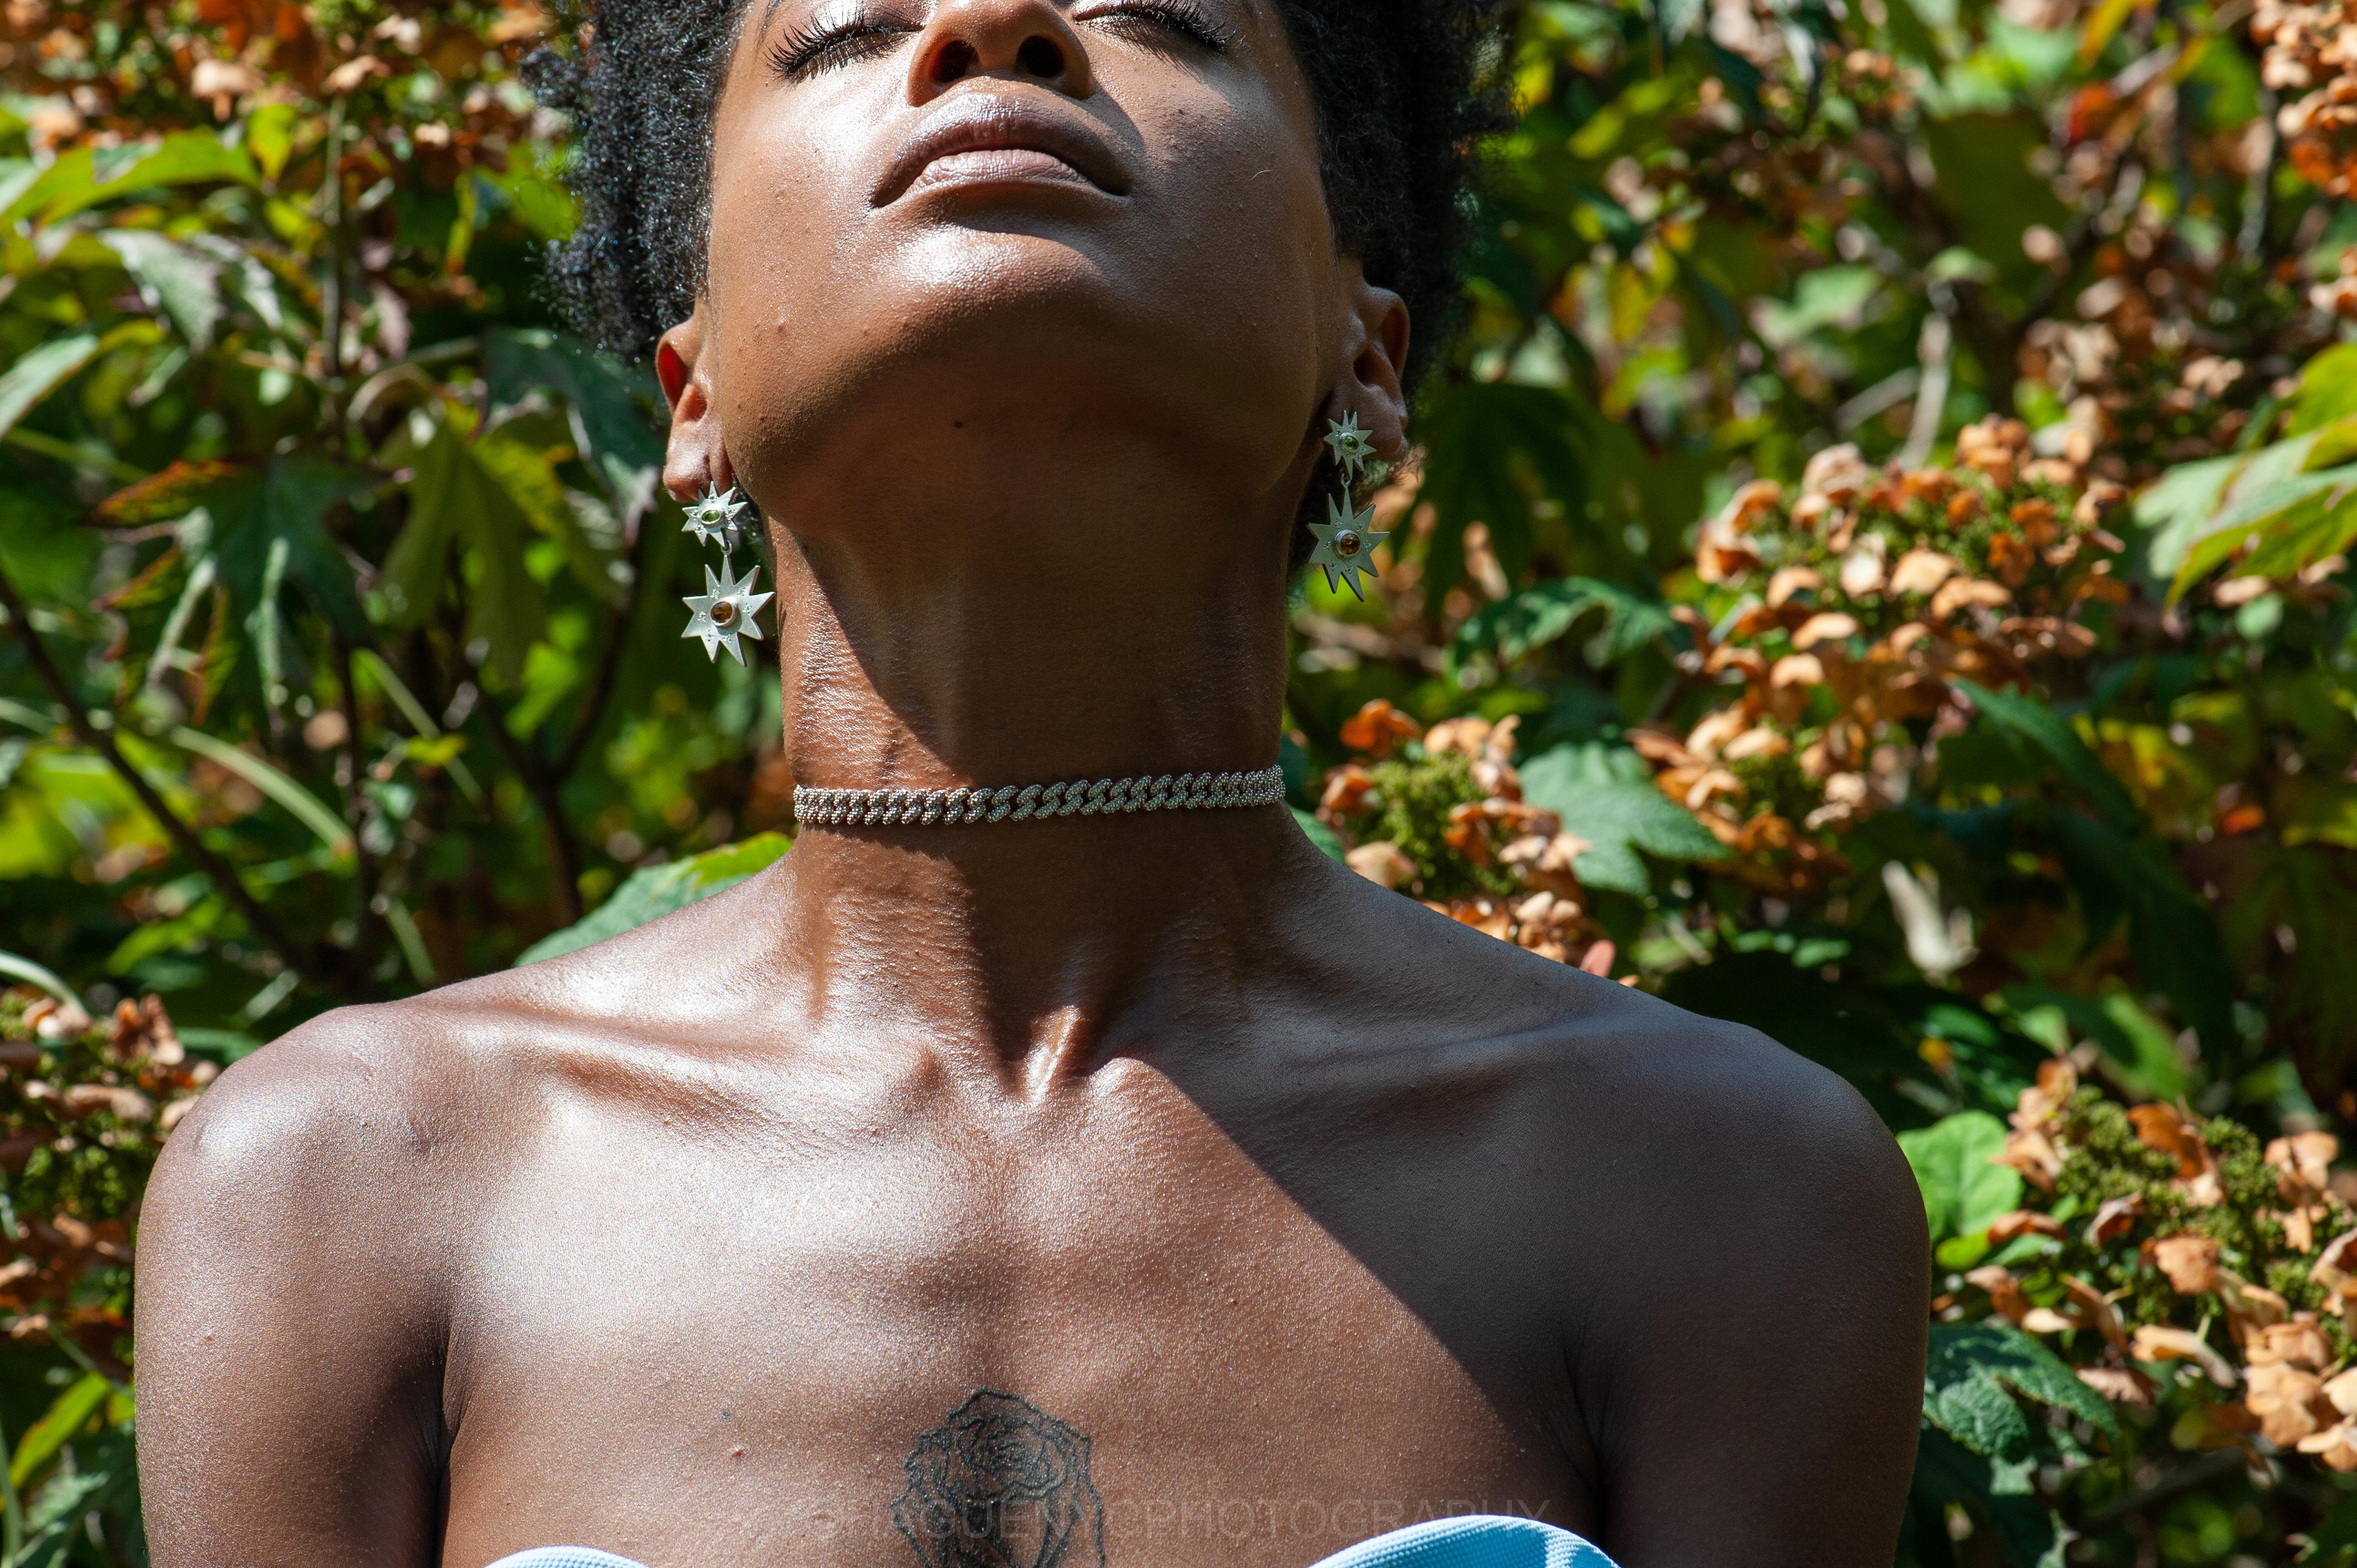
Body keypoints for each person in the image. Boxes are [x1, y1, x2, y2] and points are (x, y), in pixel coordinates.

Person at [131, 0, 1930, 1563]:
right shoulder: (345, 1190)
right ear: (688, 396)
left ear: (1364, 353)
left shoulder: (1713, 1189)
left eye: (1163, 19)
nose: (993, 30)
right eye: (842, 38)